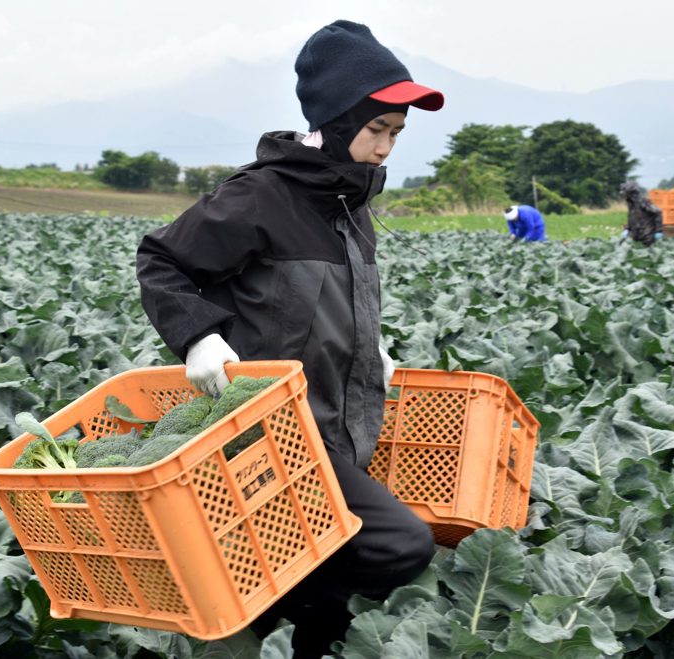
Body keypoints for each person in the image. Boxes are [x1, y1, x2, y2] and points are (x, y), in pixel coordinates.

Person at [135, 19, 444, 658]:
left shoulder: (349, 204)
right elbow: (162, 262)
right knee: (398, 544)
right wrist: (198, 337)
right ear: (335, 121)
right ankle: (249, 623)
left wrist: (369, 345)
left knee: (330, 615)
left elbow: (324, 304)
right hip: (272, 433)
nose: (386, 147)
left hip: (336, 424)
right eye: (376, 129)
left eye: (396, 134)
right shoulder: (259, 197)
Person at [620, 180, 663, 245]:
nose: (624, 195)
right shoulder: (631, 204)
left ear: (631, 193)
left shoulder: (643, 202)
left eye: (625, 193)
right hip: (636, 235)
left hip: (647, 236)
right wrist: (627, 229)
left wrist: (658, 231)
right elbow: (630, 218)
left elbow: (657, 212)